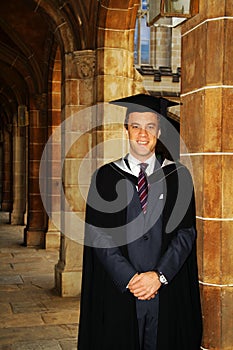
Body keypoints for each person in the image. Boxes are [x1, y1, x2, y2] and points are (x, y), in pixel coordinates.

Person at [77, 94, 202, 350]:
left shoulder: (178, 177)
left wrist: (159, 276)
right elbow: (98, 234)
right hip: (120, 291)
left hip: (166, 291)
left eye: (150, 126)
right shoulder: (105, 177)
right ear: (126, 130)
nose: (142, 134)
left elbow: (186, 233)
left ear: (159, 131)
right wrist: (131, 278)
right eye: (136, 126)